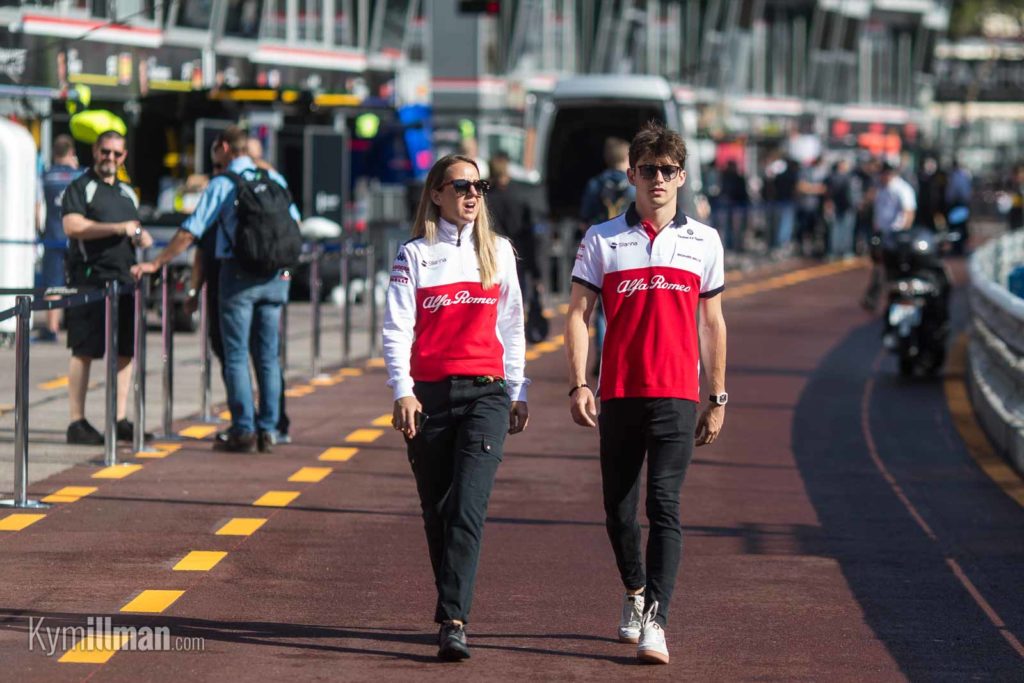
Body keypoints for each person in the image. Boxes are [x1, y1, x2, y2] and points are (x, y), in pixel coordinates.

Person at [565, 122, 728, 665]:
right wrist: (579, 382)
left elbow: (712, 323)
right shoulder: (602, 238)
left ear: (681, 176)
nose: (658, 179)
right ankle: (634, 590)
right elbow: (578, 315)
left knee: (664, 504)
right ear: (632, 174)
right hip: (618, 392)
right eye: (648, 169)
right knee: (618, 509)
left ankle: (656, 619)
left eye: (668, 170)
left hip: (677, 394)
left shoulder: (704, 240)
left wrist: (717, 396)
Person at [382, 154, 529, 661]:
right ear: (437, 193)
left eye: (479, 186)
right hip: (430, 397)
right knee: (438, 511)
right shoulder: (414, 255)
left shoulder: (500, 251)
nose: (472, 194)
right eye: (461, 186)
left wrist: (518, 389)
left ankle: (453, 620)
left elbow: (512, 324)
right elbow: (397, 328)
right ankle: (452, 606)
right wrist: (402, 390)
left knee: (467, 506)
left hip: (486, 392)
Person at [132, 126, 298, 453]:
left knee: (236, 355)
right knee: (268, 356)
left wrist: (158, 262)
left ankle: (244, 428)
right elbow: (295, 222)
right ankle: (270, 429)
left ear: (224, 147)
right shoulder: (274, 179)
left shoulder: (224, 183)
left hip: (238, 275)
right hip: (275, 276)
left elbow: (191, 230)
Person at [61, 130, 153, 445]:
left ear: (123, 156)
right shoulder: (81, 187)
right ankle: (76, 421)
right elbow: (72, 226)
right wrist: (117, 228)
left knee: (125, 350)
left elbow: (135, 228)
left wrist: (140, 235)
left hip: (124, 281)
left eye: (116, 153)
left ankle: (119, 417)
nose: (110, 158)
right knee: (84, 350)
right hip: (90, 279)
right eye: (105, 152)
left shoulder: (128, 193)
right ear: (95, 151)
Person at [580, 137, 636, 377]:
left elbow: (585, 216)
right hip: (630, 246)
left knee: (602, 308)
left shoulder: (595, 184)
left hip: (602, 246)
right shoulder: (635, 184)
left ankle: (603, 355)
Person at [37, 134, 82, 342]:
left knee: (53, 285)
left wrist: (39, 230)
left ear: (54, 153)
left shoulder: (46, 176)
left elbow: (38, 207)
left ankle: (52, 327)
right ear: (71, 152)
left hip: (53, 236)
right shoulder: (81, 175)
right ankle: (78, 325)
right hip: (76, 237)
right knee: (78, 283)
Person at [862, 161, 917, 311]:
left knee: (894, 268)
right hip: (882, 233)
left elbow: (908, 212)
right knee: (878, 265)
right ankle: (873, 297)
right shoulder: (880, 188)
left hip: (895, 234)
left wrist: (903, 233)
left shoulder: (902, 189)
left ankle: (896, 299)